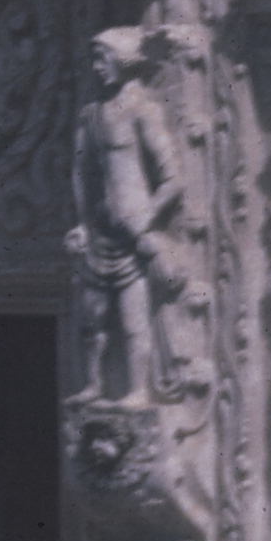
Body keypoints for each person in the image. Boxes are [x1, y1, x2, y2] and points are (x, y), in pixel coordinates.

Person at [70, 23, 185, 403]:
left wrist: (146, 217)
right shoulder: (91, 115)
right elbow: (81, 174)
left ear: (123, 60)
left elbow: (172, 178)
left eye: (102, 59)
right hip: (100, 231)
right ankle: (94, 384)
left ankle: (137, 389)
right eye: (94, 60)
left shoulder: (141, 111)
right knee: (93, 317)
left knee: (134, 318)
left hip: (132, 233)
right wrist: (82, 224)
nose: (97, 67)